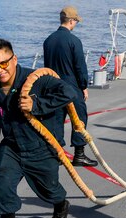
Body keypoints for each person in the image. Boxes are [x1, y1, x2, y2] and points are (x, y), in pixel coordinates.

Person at [0, 38, 77, 218]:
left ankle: (61, 205)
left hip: (42, 147)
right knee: (1, 186)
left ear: (14, 59)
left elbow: (69, 92)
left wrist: (37, 105)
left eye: (4, 63)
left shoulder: (38, 80)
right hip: (12, 148)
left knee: (49, 189)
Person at [43, 5, 98, 167]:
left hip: (53, 86)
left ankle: (57, 155)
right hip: (71, 87)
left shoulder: (48, 40)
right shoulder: (74, 41)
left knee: (56, 120)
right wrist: (84, 86)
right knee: (79, 119)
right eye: (76, 21)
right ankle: (79, 156)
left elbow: (47, 66)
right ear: (72, 21)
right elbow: (80, 67)